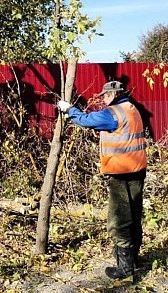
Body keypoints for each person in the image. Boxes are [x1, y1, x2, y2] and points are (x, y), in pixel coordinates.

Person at [57, 80, 147, 280]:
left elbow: (86, 120)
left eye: (105, 96)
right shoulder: (131, 108)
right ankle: (134, 259)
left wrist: (69, 110)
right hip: (137, 170)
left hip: (121, 173)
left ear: (114, 95)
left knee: (119, 221)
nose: (103, 99)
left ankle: (125, 268)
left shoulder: (113, 113)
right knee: (134, 216)